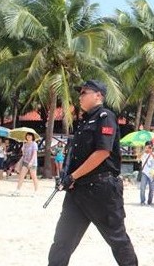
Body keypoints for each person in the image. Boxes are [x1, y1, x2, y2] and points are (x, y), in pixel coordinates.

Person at [48, 80, 138, 266]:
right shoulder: (85, 120)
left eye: (84, 92)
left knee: (117, 240)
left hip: (101, 190)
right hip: (78, 190)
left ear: (98, 95)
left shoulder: (106, 117)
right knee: (62, 241)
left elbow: (102, 152)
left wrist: (74, 176)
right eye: (80, 93)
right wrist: (68, 176)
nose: (80, 96)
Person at [10, 132, 39, 196]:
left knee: (34, 177)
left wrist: (31, 162)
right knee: (21, 176)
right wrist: (23, 149)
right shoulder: (25, 144)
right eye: (27, 136)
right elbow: (24, 155)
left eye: (30, 136)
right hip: (25, 162)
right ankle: (18, 190)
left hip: (33, 163)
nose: (28, 137)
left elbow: (34, 154)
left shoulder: (34, 144)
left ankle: (36, 191)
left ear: (32, 137)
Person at [139, 141, 154, 206]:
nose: (149, 147)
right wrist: (144, 150)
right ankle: (142, 201)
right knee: (142, 188)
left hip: (152, 173)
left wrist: (151, 152)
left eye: (150, 146)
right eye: (147, 146)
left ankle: (150, 201)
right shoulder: (143, 153)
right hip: (144, 172)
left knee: (152, 188)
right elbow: (138, 157)